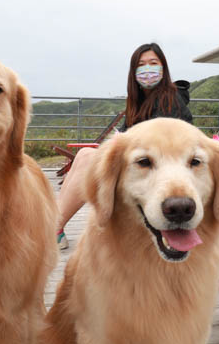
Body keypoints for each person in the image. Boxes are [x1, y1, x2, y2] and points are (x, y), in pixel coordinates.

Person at [56, 43, 193, 248]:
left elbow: (157, 145)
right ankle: (54, 224)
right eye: (142, 65)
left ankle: (53, 229)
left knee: (86, 158)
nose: (148, 69)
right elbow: (121, 138)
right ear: (134, 72)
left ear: (163, 69)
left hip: (160, 170)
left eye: (153, 63)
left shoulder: (170, 100)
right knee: (85, 155)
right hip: (140, 166)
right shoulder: (138, 102)